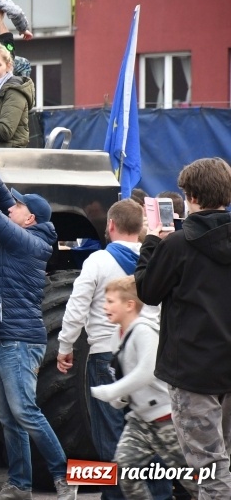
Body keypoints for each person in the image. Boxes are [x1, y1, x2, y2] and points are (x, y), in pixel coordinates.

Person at [0, 152, 77, 500]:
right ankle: (20, 485)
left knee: (25, 411)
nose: (13, 207)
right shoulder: (31, 234)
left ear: (30, 218)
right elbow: (8, 208)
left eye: (19, 206)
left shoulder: (25, 243)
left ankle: (64, 476)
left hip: (18, 341)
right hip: (7, 339)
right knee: (11, 418)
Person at [57, 199, 170, 500]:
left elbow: (77, 305)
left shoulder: (98, 261)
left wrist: (66, 345)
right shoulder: (157, 261)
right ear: (140, 227)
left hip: (107, 356)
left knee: (112, 438)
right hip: (151, 358)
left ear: (110, 226)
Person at [135, 157, 231, 498]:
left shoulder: (177, 244)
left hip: (192, 370)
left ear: (191, 196)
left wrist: (150, 243)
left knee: (208, 468)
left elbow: (148, 291)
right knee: (225, 464)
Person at [89, 277, 198, 500]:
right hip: (141, 420)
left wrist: (112, 391)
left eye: (110, 301)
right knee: (125, 471)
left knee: (193, 481)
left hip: (167, 419)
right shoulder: (115, 337)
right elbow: (129, 376)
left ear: (129, 305)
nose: (104, 307)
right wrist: (121, 398)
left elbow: (147, 372)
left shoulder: (145, 332)